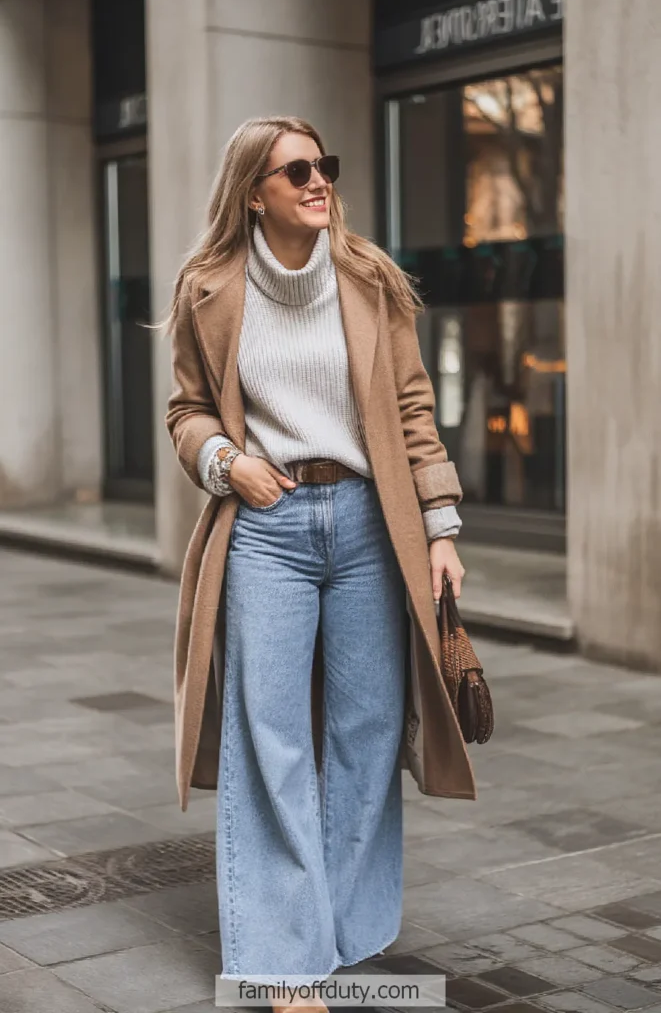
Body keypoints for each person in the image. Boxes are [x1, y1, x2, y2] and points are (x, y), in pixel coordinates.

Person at [164, 116, 475, 1009]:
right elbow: (187, 410)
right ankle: (283, 961)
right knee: (271, 741)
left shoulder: (369, 279)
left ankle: (339, 931)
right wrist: (228, 463)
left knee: (367, 736)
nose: (316, 180)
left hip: (372, 525)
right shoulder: (210, 289)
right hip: (267, 526)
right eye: (294, 169)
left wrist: (441, 529)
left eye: (322, 165)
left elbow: (413, 408)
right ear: (252, 191)